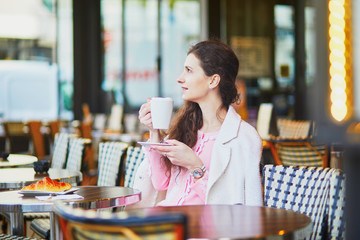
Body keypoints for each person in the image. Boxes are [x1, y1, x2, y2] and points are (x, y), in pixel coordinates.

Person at [137, 40, 263, 206]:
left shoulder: (244, 138)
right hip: (169, 218)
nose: (180, 79)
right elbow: (161, 183)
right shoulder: (186, 126)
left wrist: (195, 165)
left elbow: (231, 208)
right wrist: (154, 132)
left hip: (201, 228)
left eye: (189, 70)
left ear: (213, 81)